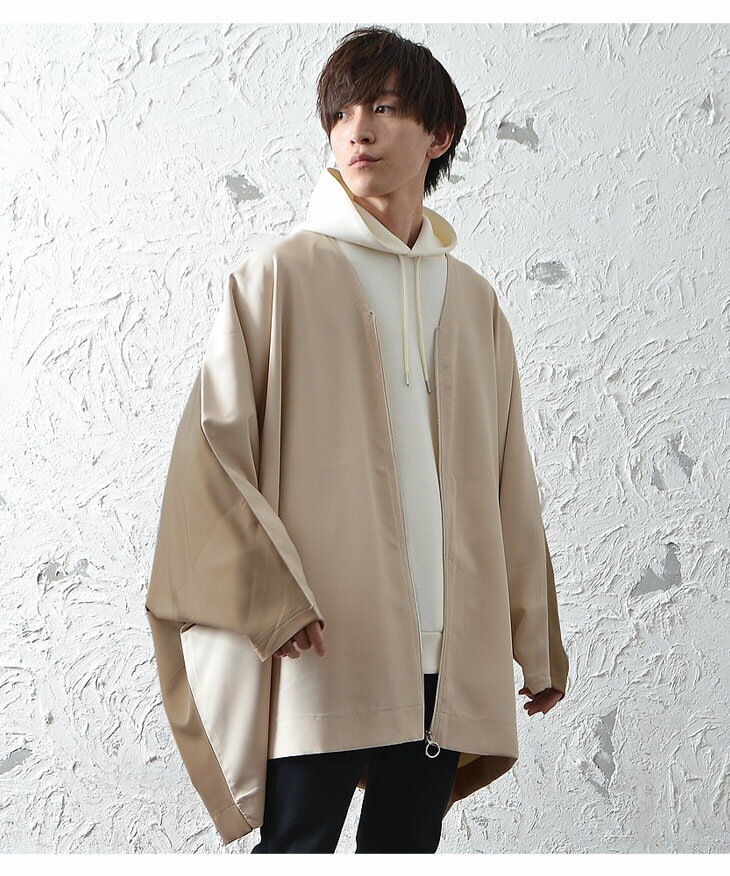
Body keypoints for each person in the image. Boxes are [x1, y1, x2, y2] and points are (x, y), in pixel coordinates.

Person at [145, 25, 569, 855]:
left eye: (383, 108)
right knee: (298, 845)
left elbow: (507, 478)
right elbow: (212, 456)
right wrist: (270, 598)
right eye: (340, 114)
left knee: (405, 848)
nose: (357, 131)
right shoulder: (278, 277)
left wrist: (536, 639)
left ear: (439, 134)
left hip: (447, 648)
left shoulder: (473, 300)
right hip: (323, 640)